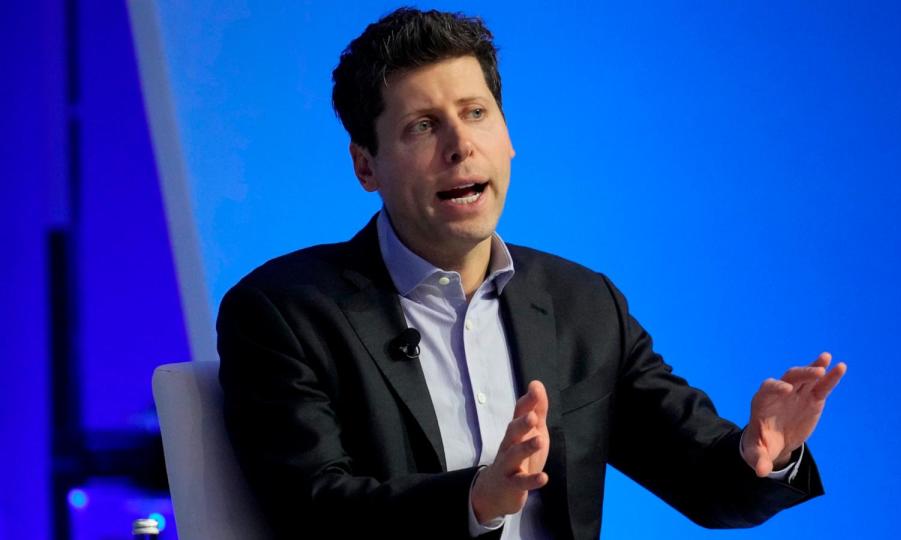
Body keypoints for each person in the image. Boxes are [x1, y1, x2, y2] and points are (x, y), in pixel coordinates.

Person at [217, 7, 846, 539]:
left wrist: (767, 453)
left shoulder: (582, 304)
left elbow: (708, 487)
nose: (460, 146)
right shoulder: (284, 312)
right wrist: (476, 503)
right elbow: (313, 514)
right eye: (422, 127)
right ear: (366, 166)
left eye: (476, 113)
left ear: (508, 136)